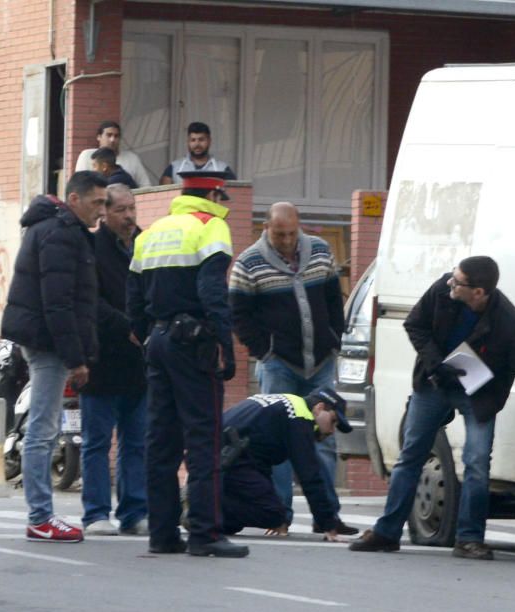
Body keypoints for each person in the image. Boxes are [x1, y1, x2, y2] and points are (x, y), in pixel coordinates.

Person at [349, 256, 515, 560]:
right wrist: (435, 364)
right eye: (453, 278)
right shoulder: (444, 290)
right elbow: (414, 324)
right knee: (410, 457)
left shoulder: (507, 322)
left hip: (479, 394)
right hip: (435, 383)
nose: (450, 283)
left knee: (477, 463)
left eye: (458, 282)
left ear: (479, 292)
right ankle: (386, 533)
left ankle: (469, 539)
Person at [127, 171, 247, 558]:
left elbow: (133, 297)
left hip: (159, 341)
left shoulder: (152, 231)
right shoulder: (211, 227)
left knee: (160, 441)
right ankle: (204, 534)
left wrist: (147, 333)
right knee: (203, 438)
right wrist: (225, 345)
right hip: (192, 345)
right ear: (213, 192)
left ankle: (162, 534)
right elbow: (213, 290)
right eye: (221, 196)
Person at [228, 201, 356, 536]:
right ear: (265, 228)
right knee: (280, 443)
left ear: (299, 226)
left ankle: (327, 516)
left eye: (291, 233)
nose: (286, 240)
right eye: (279, 233)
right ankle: (279, 513)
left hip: (322, 360)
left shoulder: (320, 250)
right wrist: (264, 350)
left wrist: (334, 337)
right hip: (280, 363)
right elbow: (239, 315)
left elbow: (333, 297)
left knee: (325, 438)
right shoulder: (249, 262)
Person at [1, 171, 107, 543]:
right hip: (48, 344)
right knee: (43, 431)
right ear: (74, 200)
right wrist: (75, 357)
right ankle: (40, 517)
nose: (102, 211)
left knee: (44, 430)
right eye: (97, 202)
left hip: (46, 341)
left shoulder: (57, 229)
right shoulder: (59, 233)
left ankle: (41, 515)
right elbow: (59, 303)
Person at [80, 184, 148, 537]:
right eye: (121, 210)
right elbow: (90, 300)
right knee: (96, 442)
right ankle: (95, 513)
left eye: (132, 208)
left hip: (139, 361)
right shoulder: (91, 247)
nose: (129, 216)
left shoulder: (146, 243)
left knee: (137, 441)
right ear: (105, 212)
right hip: (102, 358)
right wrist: (128, 326)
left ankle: (134, 510)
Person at [213, 388, 352, 539]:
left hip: (221, 453)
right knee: (272, 514)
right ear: (319, 408)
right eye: (333, 421)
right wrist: (328, 525)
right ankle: (203, 508)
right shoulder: (300, 418)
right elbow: (310, 476)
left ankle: (207, 510)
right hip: (231, 458)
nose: (332, 431)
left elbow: (260, 456)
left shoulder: (285, 402)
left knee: (233, 523)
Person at [75, 121, 152, 187]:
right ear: (99, 137)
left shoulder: (132, 158)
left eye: (116, 136)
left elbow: (146, 186)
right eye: (109, 135)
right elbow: (80, 185)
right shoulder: (87, 155)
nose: (112, 140)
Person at [160, 122, 236, 185]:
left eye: (201, 139)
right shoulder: (173, 168)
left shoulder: (223, 169)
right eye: (193, 140)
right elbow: (163, 197)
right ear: (188, 142)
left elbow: (234, 196)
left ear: (209, 141)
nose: (197, 144)